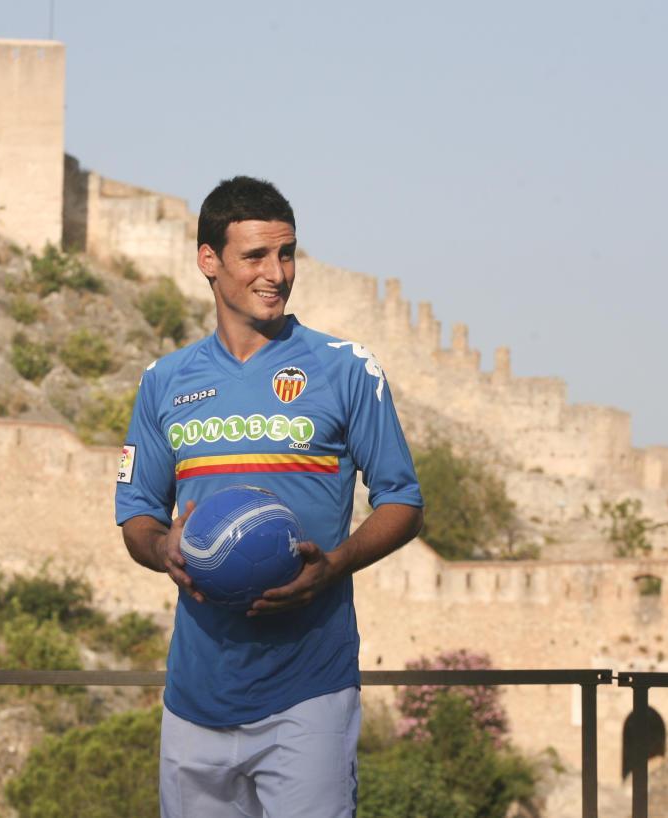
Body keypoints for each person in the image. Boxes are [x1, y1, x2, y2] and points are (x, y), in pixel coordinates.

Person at [115, 176, 424, 817]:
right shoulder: (163, 381)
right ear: (209, 261)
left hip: (308, 693)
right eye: (255, 256)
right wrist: (162, 547)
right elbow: (137, 515)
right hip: (194, 700)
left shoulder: (346, 368)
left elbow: (403, 501)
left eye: (286, 255)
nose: (276, 273)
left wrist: (334, 565)